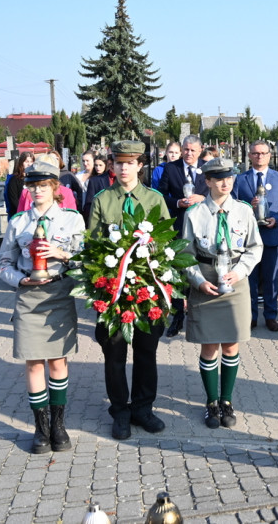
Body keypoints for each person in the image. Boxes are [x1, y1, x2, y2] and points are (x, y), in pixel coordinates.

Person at [0, 161, 85, 454]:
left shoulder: (72, 220)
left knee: (58, 361)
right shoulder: (18, 222)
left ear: (54, 187)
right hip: (28, 296)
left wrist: (61, 253)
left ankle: (59, 425)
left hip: (59, 292)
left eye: (44, 185)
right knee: (33, 362)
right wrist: (20, 280)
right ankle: (41, 427)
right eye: (33, 186)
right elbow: (3, 262)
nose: (38, 191)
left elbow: (85, 261)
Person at [87, 141, 171, 440]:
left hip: (146, 291)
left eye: (129, 162)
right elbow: (93, 246)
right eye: (118, 162)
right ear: (112, 164)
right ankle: (120, 411)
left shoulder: (154, 199)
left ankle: (143, 409)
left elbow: (166, 243)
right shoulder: (102, 200)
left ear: (140, 165)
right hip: (113, 292)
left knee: (147, 351)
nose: (123, 167)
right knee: (115, 353)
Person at [181, 157, 263, 428]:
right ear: (207, 182)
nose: (225, 182)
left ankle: (227, 401)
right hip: (206, 282)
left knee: (230, 344)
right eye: (218, 178)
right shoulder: (194, 214)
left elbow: (254, 247)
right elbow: (185, 254)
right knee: (209, 345)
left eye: (229, 177)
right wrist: (197, 281)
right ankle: (211, 402)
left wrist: (240, 273)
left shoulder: (243, 211)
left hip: (235, 282)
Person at [232, 140, 278, 331]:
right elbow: (233, 205)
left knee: (271, 278)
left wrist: (277, 218)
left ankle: (271, 316)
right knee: (249, 279)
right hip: (248, 238)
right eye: (255, 153)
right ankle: (250, 316)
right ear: (250, 155)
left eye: (263, 153)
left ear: (269, 155)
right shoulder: (240, 179)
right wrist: (246, 206)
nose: (259, 156)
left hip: (271, 235)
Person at [158, 135, 208, 336]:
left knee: (201, 270)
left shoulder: (207, 168)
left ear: (200, 150)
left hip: (203, 228)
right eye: (185, 149)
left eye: (193, 150)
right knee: (177, 273)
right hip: (178, 226)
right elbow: (160, 195)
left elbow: (219, 193)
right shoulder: (171, 168)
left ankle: (198, 316)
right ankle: (177, 317)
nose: (188, 153)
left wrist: (203, 198)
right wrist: (178, 203)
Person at [5, 151, 36, 218]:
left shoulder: (35, 179)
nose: (29, 164)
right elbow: (14, 200)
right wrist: (23, 213)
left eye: (31, 161)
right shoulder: (14, 180)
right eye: (26, 162)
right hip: (19, 215)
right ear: (21, 163)